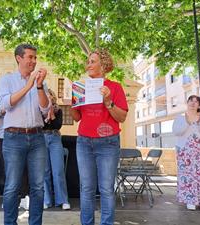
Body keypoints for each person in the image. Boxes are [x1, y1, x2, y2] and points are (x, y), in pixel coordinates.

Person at [70, 49, 128, 225]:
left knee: (106, 189)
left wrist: (108, 101)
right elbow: (77, 118)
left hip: (108, 143)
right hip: (84, 142)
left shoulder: (115, 87)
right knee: (86, 188)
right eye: (88, 61)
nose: (88, 64)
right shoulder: (81, 88)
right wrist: (72, 104)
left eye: (92, 61)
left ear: (103, 66)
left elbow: (122, 117)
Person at [0, 43, 50, 225]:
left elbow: (45, 109)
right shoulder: (7, 80)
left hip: (37, 138)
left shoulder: (40, 82)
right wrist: (29, 85)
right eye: (30, 57)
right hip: (13, 138)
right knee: (12, 186)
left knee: (38, 187)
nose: (34, 61)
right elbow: (5, 104)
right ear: (19, 58)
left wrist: (40, 86)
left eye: (35, 58)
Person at [172, 95, 200, 211]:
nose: (193, 103)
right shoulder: (180, 117)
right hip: (184, 151)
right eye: (191, 101)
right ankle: (190, 200)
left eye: (196, 101)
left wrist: (198, 122)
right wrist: (187, 121)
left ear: (199, 105)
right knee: (187, 175)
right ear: (187, 102)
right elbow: (177, 132)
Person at [43, 89, 70, 210]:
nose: (47, 98)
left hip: (54, 137)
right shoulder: (39, 110)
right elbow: (40, 125)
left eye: (49, 96)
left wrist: (51, 113)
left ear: (52, 97)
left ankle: (62, 200)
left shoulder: (58, 110)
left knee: (58, 170)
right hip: (41, 138)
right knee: (45, 172)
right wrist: (45, 112)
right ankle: (46, 200)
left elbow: (57, 125)